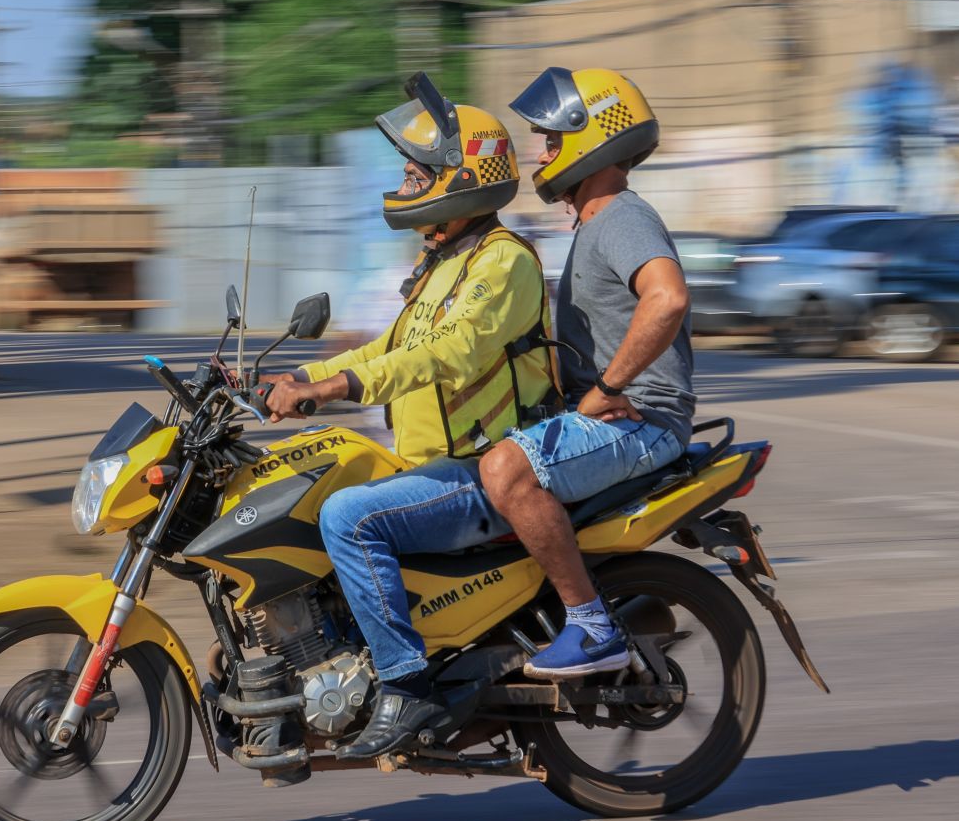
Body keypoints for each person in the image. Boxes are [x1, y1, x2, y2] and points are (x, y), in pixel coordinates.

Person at [262, 73, 559, 759]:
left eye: (416, 170)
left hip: (484, 469)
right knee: (315, 486)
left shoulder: (501, 263)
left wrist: (337, 383)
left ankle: (406, 680)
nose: (404, 182)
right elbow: (393, 346)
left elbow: (451, 353)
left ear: (462, 177)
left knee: (349, 517)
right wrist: (298, 376)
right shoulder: (443, 263)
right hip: (431, 465)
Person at [478, 66, 696, 680]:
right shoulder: (596, 224)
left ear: (589, 137)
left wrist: (607, 389)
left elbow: (668, 299)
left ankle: (593, 626)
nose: (540, 154)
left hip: (643, 418)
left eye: (549, 140)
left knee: (507, 470)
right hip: (617, 414)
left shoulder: (622, 216)